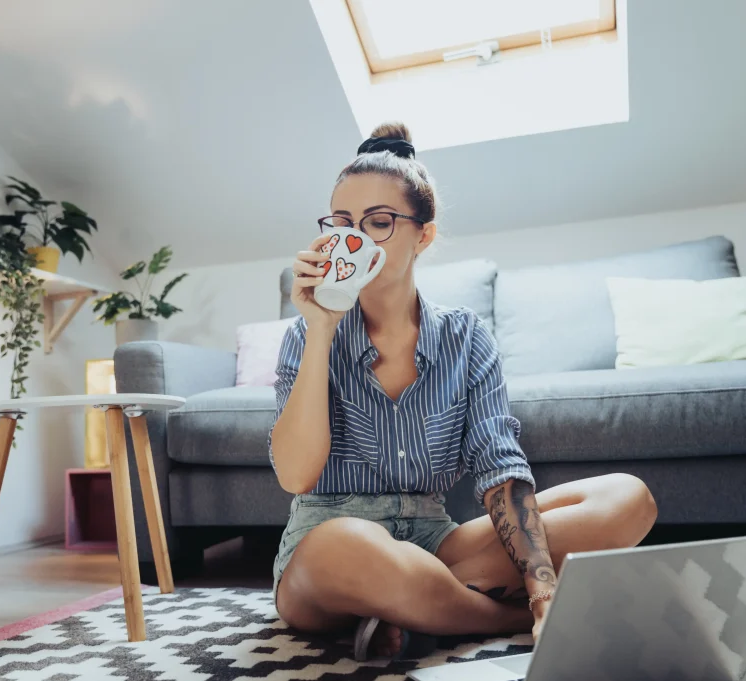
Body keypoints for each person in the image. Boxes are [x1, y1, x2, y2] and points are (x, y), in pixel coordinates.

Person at [269, 121, 658, 660]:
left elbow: (501, 470)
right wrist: (320, 328)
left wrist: (541, 582)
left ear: (422, 234)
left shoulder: (465, 337)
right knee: (351, 547)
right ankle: (501, 616)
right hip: (330, 554)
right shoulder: (306, 333)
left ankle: (421, 606)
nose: (353, 241)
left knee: (626, 498)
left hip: (435, 543)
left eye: (378, 223)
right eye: (341, 224)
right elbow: (295, 474)